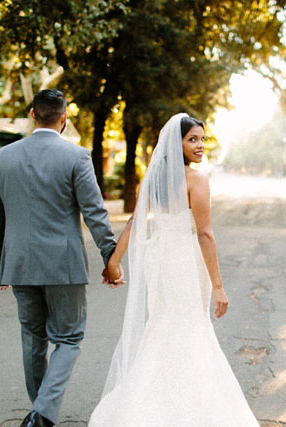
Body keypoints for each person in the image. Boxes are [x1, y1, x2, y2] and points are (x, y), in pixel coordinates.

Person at [89, 113, 259, 427]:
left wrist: (114, 262)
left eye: (202, 139)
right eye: (192, 139)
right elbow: (205, 234)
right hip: (185, 261)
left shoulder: (154, 178)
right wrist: (218, 285)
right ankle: (189, 407)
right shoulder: (197, 179)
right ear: (176, 143)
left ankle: (151, 401)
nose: (199, 145)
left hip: (161, 260)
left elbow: (135, 224)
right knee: (191, 327)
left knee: (164, 325)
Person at [0, 89, 122, 427]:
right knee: (69, 339)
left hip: (18, 264)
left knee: (33, 338)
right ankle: (42, 415)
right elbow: (95, 213)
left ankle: (39, 412)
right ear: (64, 119)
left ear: (33, 115)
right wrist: (110, 258)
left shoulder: (3, 157)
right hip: (64, 265)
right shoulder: (76, 157)